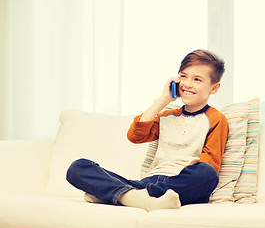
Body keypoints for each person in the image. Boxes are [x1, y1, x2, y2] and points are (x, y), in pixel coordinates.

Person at [66, 49, 229, 211]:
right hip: (149, 183)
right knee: (78, 168)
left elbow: (210, 163)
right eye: (183, 76)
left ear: (214, 88)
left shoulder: (216, 119)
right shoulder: (167, 116)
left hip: (181, 185)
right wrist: (164, 99)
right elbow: (135, 135)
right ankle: (138, 198)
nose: (187, 84)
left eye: (197, 79)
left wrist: (177, 180)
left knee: (206, 173)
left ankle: (119, 194)